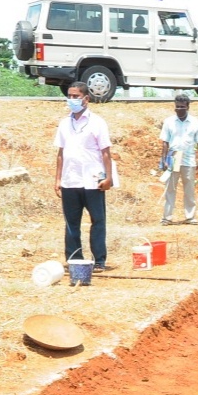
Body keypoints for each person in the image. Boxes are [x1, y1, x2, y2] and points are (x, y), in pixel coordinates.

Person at [55, 81, 115, 271]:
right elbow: (60, 153)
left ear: (86, 99)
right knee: (72, 223)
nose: (72, 100)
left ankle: (99, 261)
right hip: (70, 180)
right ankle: (74, 259)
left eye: (76, 97)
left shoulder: (97, 123)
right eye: (70, 96)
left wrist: (109, 177)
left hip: (92, 180)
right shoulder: (65, 124)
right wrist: (57, 180)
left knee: (98, 220)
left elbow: (106, 152)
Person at [158, 93, 198, 226]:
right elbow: (165, 142)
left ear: (187, 107)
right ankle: (167, 218)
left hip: (189, 159)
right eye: (177, 107)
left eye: (182, 107)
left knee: (189, 189)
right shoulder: (169, 121)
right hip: (173, 158)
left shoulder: (195, 122)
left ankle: (190, 217)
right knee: (170, 189)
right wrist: (163, 160)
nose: (179, 109)